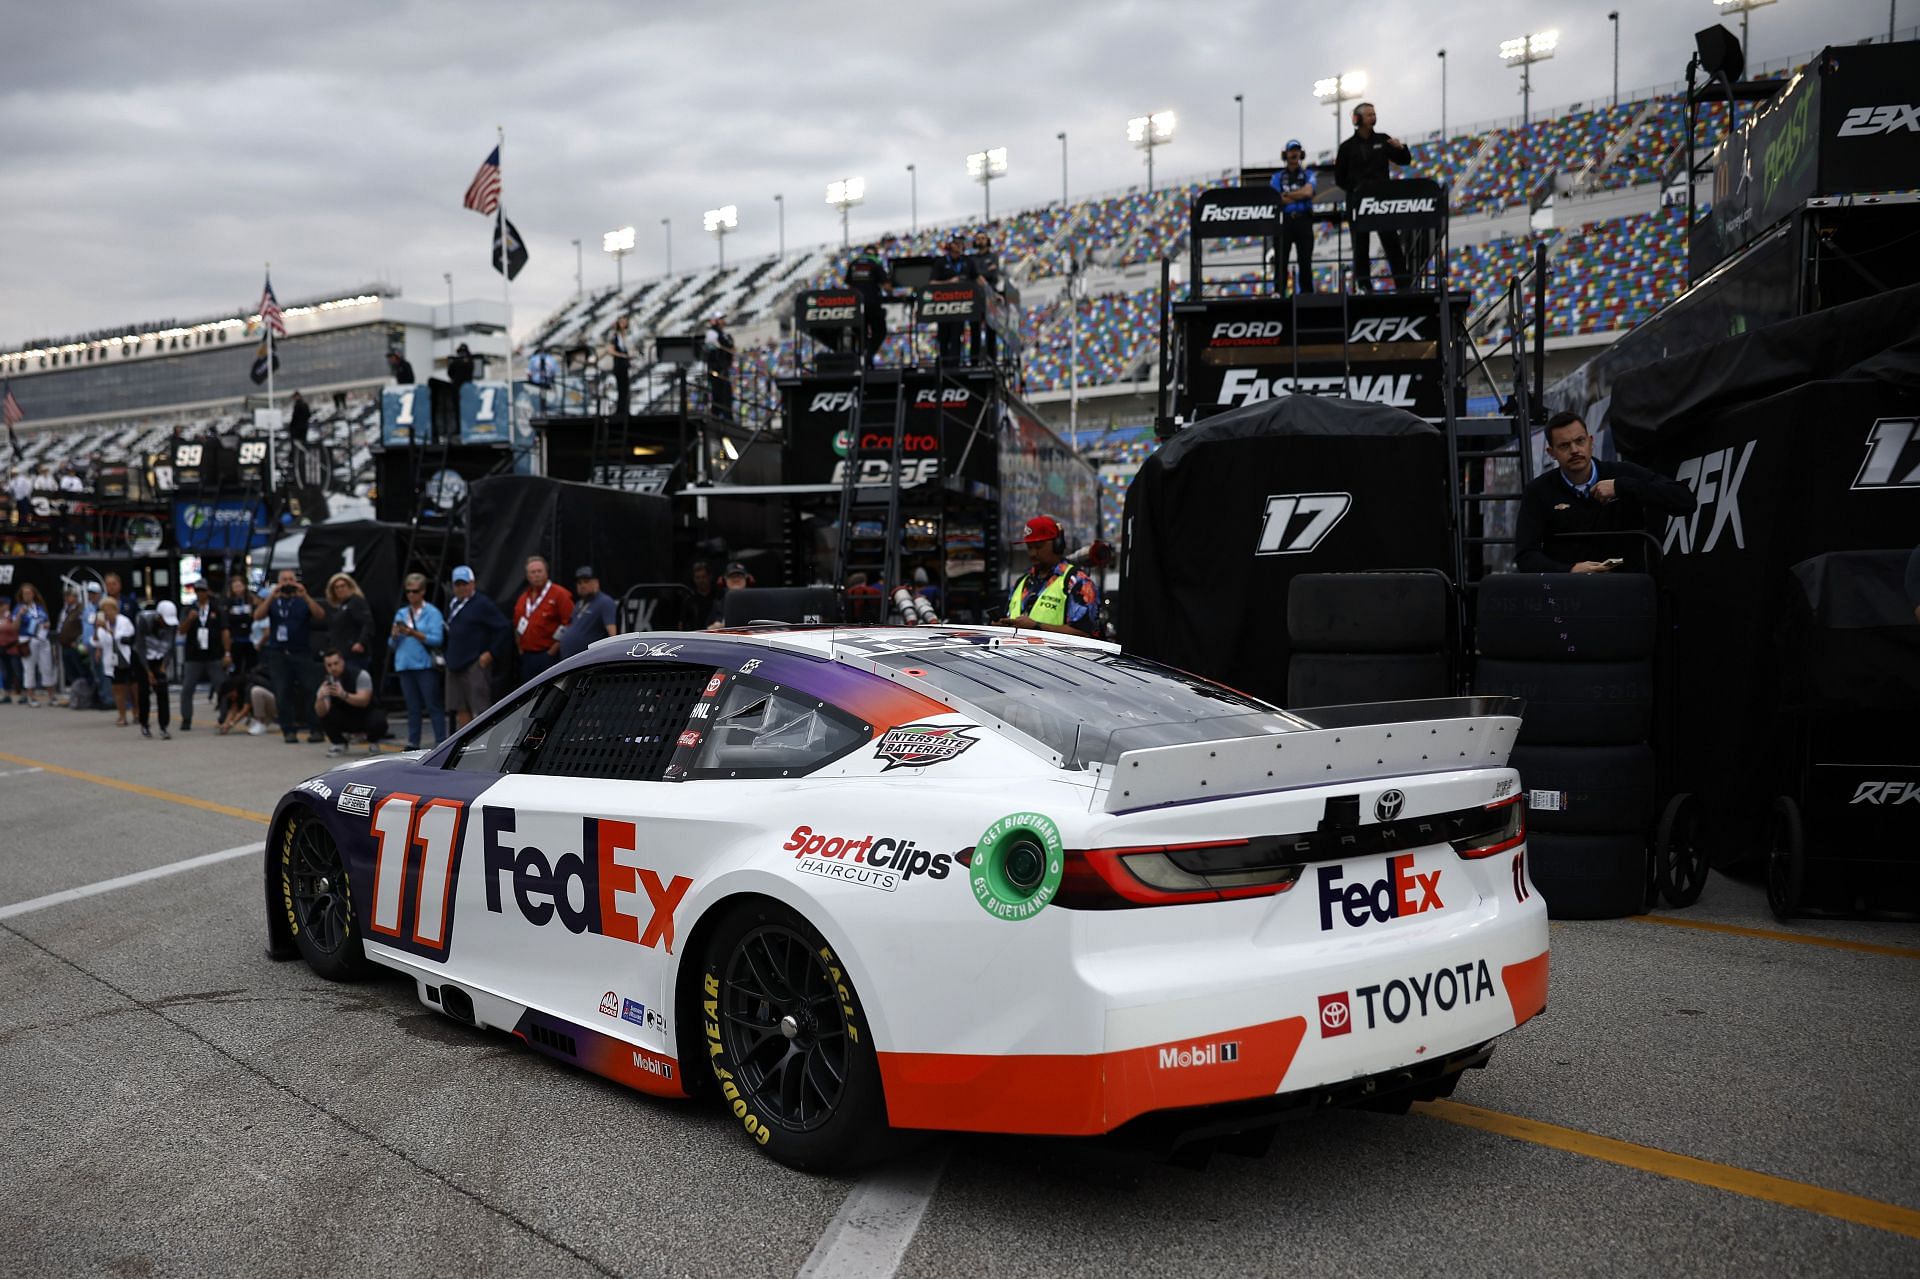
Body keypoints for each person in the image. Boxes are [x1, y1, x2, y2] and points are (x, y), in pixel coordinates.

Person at [1515, 411, 1698, 573]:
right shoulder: (1538, 491)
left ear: (1591, 441)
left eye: (1580, 441)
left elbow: (1685, 500)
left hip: (1628, 588)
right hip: (1569, 593)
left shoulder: (1622, 473)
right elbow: (1525, 555)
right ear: (1551, 452)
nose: (1574, 450)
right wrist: (1569, 570)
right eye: (1564, 445)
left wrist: (1621, 487)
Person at [1334, 103, 1413, 292]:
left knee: (1391, 243)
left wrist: (1401, 148)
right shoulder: (1346, 147)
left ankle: (1403, 285)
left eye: (1374, 114)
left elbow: (1405, 160)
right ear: (1357, 119)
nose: (1373, 117)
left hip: (1382, 201)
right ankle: (1363, 285)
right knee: (1360, 246)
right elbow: (1339, 178)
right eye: (1369, 114)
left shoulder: (1383, 140)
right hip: (1358, 203)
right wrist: (1356, 191)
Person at [995, 515, 1102, 639]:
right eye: (1029, 547)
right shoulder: (1021, 582)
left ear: (1057, 544)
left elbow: (1086, 635)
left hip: (1060, 658)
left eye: (1038, 546)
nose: (1032, 553)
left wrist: (1037, 627)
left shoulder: (1078, 582)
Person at [256, 567, 326, 743]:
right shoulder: (274, 601)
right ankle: (288, 730)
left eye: (290, 580)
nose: (287, 583)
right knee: (282, 691)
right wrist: (272, 595)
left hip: (301, 652)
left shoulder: (302, 601)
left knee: (310, 689)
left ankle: (315, 728)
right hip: (278, 653)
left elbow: (320, 615)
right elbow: (257, 615)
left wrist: (305, 595)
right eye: (284, 580)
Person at [444, 565, 509, 729]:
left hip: (474, 664)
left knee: (480, 709)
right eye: (457, 585)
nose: (461, 588)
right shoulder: (453, 604)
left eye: (465, 584)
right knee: (460, 707)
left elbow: (503, 627)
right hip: (454, 664)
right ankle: (465, 745)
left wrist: (491, 653)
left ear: (472, 583)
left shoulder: (481, 603)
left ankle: (483, 744)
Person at [390, 574, 447, 749]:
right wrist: (395, 635)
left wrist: (413, 633)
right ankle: (413, 741)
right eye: (408, 591)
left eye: (415, 591)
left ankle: (440, 741)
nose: (411, 595)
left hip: (425, 666)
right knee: (412, 707)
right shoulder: (401, 613)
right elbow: (391, 644)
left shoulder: (432, 612)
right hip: (404, 664)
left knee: (433, 705)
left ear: (423, 591)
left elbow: (437, 640)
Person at [513, 555, 573, 682]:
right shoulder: (523, 598)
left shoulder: (560, 594)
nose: (536, 575)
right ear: (528, 576)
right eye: (532, 572)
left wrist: (552, 651)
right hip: (527, 656)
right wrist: (520, 649)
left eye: (539, 571)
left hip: (548, 655)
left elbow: (569, 623)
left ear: (546, 573)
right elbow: (517, 625)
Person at [315, 648, 386, 756]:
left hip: (365, 713)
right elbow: (321, 712)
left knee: (378, 719)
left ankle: (373, 743)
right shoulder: (326, 681)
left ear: (342, 661)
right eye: (329, 665)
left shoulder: (360, 675)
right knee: (325, 713)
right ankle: (339, 743)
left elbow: (364, 701)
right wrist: (320, 698)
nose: (333, 668)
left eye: (336, 663)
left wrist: (343, 694)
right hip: (344, 716)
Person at [176, 579, 225, 731]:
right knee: (187, 688)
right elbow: (181, 630)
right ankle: (186, 718)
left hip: (214, 654)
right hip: (194, 655)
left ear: (207, 591)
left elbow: (224, 630)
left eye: (202, 591)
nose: (200, 594)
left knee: (221, 687)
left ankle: (224, 716)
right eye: (197, 591)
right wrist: (190, 619)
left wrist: (227, 652)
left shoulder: (217, 608)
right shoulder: (188, 609)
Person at [1271, 139, 1318, 295]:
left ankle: (1307, 293)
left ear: (1301, 154)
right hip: (1284, 222)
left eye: (1297, 150)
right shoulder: (1277, 177)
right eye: (1291, 151)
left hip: (1304, 220)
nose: (1294, 153)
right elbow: (1277, 199)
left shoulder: (1308, 174)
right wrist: (1299, 195)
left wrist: (1287, 194)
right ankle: (1279, 292)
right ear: (1285, 154)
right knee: (1281, 260)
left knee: (1305, 260)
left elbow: (1308, 193)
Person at [133, 599, 177, 739]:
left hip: (160, 658)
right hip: (143, 659)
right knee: (144, 693)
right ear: (159, 616)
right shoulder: (143, 620)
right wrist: (148, 672)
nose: (166, 624)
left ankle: (164, 726)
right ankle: (144, 724)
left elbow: (170, 648)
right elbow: (140, 647)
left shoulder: (172, 626)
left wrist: (164, 667)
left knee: (163, 692)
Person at [931, 234, 976, 364]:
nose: (959, 246)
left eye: (961, 244)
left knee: (957, 336)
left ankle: (955, 363)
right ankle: (943, 365)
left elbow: (977, 278)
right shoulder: (940, 262)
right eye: (956, 243)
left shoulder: (967, 261)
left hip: (961, 304)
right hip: (944, 306)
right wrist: (950, 282)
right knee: (944, 337)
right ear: (951, 246)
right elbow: (932, 283)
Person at [559, 565, 619, 660]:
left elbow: (612, 634)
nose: (582, 585)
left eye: (586, 582)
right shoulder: (579, 604)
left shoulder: (605, 602)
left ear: (596, 583)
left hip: (588, 661)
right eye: (579, 583)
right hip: (570, 660)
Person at [845, 245, 891, 367]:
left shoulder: (853, 263)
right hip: (872, 303)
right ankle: (868, 356)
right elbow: (886, 286)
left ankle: (864, 363)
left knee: (861, 336)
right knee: (880, 331)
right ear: (875, 254)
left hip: (856, 305)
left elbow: (849, 286)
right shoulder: (876, 262)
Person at [95, 598, 134, 725]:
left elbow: (119, 637)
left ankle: (136, 711)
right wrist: (97, 628)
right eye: (104, 610)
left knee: (131, 688)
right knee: (117, 688)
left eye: (109, 609)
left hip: (126, 658)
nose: (107, 612)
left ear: (115, 609)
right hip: (112, 661)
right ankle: (122, 715)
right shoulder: (102, 624)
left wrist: (106, 629)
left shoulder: (124, 621)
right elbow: (97, 641)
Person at [323, 572, 375, 665]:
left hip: (354, 655)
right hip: (340, 656)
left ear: (350, 586)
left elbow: (367, 623)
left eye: (343, 586)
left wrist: (361, 642)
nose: (340, 589)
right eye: (336, 587)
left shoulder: (356, 602)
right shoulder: (340, 607)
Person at [14, 582, 52, 707]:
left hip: (42, 639)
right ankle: (31, 696)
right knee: (29, 668)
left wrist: (47, 625)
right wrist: (19, 615)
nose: (27, 596)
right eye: (25, 593)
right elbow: (15, 627)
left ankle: (51, 696)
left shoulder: (40, 607)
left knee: (47, 667)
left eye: (29, 593)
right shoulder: (18, 608)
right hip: (28, 641)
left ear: (34, 594)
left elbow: (47, 621)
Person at [223, 573, 258, 673]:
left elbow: (253, 617)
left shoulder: (251, 600)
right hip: (235, 639)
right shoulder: (228, 602)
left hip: (250, 639)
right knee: (236, 668)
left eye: (240, 586)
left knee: (251, 667)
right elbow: (228, 619)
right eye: (235, 587)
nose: (238, 589)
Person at [704, 314, 735, 422]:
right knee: (718, 395)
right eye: (720, 319)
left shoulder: (723, 334)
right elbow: (714, 348)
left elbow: (730, 346)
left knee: (726, 395)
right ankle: (717, 418)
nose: (723, 321)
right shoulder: (712, 333)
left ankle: (726, 418)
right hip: (716, 369)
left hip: (723, 368)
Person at [707, 562, 751, 631]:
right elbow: (708, 627)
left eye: (739, 576)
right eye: (732, 576)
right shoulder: (718, 602)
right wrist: (715, 627)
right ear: (725, 579)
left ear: (746, 578)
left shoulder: (755, 600)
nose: (736, 579)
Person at [680, 560, 722, 631]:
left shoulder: (719, 597)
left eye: (703, 577)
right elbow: (681, 625)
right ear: (694, 579)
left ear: (710, 577)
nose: (701, 580)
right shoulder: (689, 601)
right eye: (698, 577)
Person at [604, 317, 632, 422]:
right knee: (622, 388)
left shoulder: (624, 336)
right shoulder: (614, 336)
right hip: (619, 365)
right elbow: (610, 350)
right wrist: (622, 355)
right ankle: (621, 411)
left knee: (625, 388)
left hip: (624, 365)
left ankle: (624, 410)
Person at [0, 600, 19, 703]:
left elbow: (16, 628)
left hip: (13, 648)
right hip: (2, 649)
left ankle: (23, 694)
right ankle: (7, 694)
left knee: (17, 671)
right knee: (5, 672)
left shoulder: (11, 616)